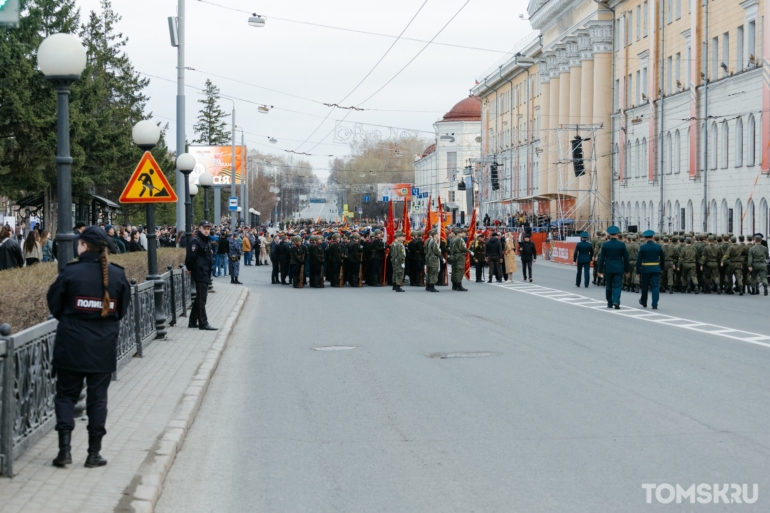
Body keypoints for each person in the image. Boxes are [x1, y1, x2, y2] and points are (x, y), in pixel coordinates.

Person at [47, 226, 131, 468]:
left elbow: (55, 305)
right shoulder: (116, 275)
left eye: (78, 243)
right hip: (102, 347)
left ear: (83, 245)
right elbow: (121, 310)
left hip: (71, 344)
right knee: (98, 399)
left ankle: (64, 452)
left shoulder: (70, 272)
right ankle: (94, 455)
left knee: (65, 396)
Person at [185, 220, 217, 331]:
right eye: (205, 228)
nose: (207, 231)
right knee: (202, 299)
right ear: (200, 228)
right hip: (200, 273)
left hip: (205, 272)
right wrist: (189, 269)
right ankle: (203, 323)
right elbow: (190, 258)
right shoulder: (196, 241)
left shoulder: (206, 240)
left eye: (208, 229)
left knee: (199, 298)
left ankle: (193, 321)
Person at [597, 225, 629, 309]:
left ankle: (609, 303)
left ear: (609, 235)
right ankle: (616, 301)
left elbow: (602, 258)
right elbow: (626, 258)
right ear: (617, 234)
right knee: (617, 286)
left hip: (608, 268)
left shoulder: (605, 245)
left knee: (609, 285)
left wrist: (600, 270)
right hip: (619, 267)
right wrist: (627, 270)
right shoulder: (622, 245)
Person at [636, 230, 665, 309]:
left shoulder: (642, 247)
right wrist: (661, 268)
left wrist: (638, 270)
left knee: (645, 286)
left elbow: (639, 260)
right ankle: (654, 304)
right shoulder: (658, 246)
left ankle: (644, 302)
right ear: (653, 237)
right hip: (656, 268)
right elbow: (662, 258)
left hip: (645, 269)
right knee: (655, 286)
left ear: (645, 238)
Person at [449, 227, 471, 291]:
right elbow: (462, 248)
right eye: (464, 233)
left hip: (453, 255)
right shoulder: (460, 239)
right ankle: (459, 285)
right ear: (460, 233)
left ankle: (454, 285)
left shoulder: (453, 239)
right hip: (459, 256)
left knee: (454, 271)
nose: (465, 234)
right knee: (459, 270)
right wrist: (469, 251)